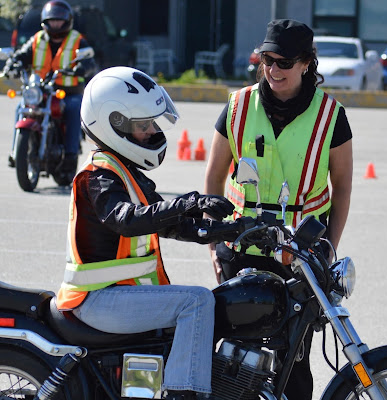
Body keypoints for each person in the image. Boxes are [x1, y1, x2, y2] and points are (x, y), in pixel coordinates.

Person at [55, 66, 241, 400]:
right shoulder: (100, 176)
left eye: (154, 124)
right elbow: (127, 218)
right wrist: (188, 201)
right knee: (197, 301)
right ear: (115, 125)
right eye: (145, 126)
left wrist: (231, 230)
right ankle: (185, 394)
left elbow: (170, 224)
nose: (153, 132)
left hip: (116, 295)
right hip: (95, 298)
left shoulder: (128, 171)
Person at [204, 19, 353, 400]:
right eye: (266, 59)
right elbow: (214, 178)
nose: (272, 70)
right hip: (242, 250)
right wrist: (214, 245)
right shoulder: (239, 106)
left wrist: (327, 252)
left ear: (306, 63)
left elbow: (342, 189)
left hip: (299, 258)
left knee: (294, 362)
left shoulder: (329, 116)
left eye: (283, 62)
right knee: (228, 356)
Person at [3, 0, 96, 173]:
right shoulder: (37, 39)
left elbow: (89, 61)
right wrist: (13, 65)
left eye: (59, 20)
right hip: (41, 90)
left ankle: (70, 155)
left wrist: (82, 68)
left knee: (74, 108)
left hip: (68, 92)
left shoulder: (77, 39)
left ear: (67, 20)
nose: (55, 23)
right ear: (45, 20)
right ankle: (16, 152)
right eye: (52, 20)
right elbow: (22, 55)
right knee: (20, 107)